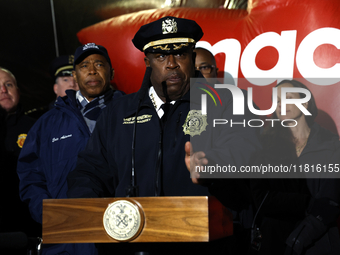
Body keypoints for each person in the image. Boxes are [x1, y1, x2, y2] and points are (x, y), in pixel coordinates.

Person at [67, 17, 261, 255]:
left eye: (180, 54)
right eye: (160, 56)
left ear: (192, 56)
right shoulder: (118, 113)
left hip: (210, 246)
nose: (171, 64)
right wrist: (87, 208)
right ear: (147, 61)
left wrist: (216, 166)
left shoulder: (228, 102)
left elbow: (249, 152)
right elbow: (90, 171)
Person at [17, 43, 125, 255]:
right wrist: (48, 213)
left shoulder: (132, 114)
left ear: (111, 72)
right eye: (84, 65)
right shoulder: (47, 123)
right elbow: (30, 175)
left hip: (120, 236)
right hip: (65, 240)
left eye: (99, 64)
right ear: (75, 75)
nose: (92, 70)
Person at [249, 80, 340, 255]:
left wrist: (298, 240)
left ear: (305, 102)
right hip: (276, 243)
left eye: (288, 98)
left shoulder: (331, 146)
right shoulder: (264, 148)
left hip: (318, 244)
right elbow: (262, 198)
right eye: (277, 101)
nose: (281, 105)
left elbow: (330, 200)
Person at [0, 67, 41, 254]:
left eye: (8, 84)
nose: (3, 90)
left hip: (28, 223)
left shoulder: (37, 127)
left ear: (18, 90)